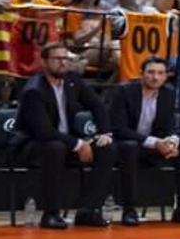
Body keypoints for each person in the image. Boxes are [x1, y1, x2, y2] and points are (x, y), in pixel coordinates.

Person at [15, 43, 117, 228]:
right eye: (57, 59)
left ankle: (88, 210)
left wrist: (104, 132)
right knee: (55, 147)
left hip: (66, 141)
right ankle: (50, 214)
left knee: (107, 148)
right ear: (44, 62)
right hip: (33, 145)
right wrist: (79, 144)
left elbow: (98, 105)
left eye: (66, 59)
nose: (63, 63)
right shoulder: (34, 90)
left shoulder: (73, 80)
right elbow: (44, 132)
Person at [108, 56, 180, 224]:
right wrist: (156, 142)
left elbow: (170, 126)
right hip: (126, 144)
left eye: (160, 73)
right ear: (141, 74)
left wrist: (171, 141)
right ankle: (129, 210)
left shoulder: (168, 93)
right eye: (151, 72)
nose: (155, 77)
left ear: (166, 76)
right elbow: (119, 129)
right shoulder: (124, 92)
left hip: (153, 146)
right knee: (129, 147)